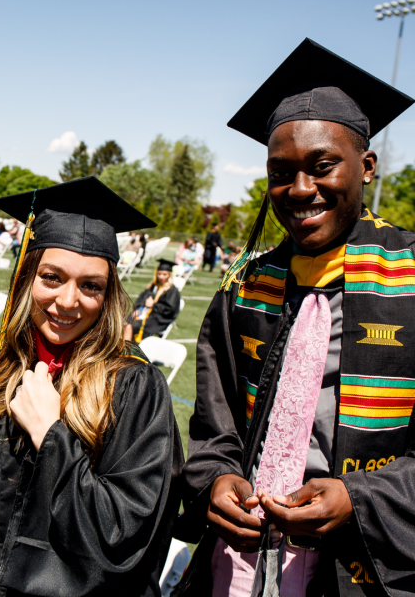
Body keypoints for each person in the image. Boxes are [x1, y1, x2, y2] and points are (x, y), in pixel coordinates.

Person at [175, 39, 415, 597]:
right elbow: (216, 431)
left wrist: (361, 499)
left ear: (368, 166)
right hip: (244, 564)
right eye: (281, 172)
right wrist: (216, 480)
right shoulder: (243, 290)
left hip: (372, 569)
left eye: (322, 166)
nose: (300, 189)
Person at [0, 177, 184, 597]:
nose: (69, 301)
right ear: (26, 279)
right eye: (52, 277)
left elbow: (124, 537)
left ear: (108, 294)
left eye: (91, 285)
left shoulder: (133, 386)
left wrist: (51, 436)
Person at [124, 259, 181, 342]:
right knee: (126, 320)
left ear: (169, 275)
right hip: (145, 313)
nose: (161, 277)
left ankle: (129, 348)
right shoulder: (153, 286)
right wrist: (138, 310)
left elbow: (170, 310)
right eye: (159, 274)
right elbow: (141, 300)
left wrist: (153, 305)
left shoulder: (172, 290)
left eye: (164, 274)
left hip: (158, 318)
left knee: (134, 325)